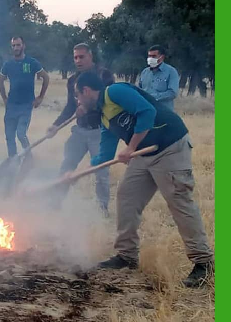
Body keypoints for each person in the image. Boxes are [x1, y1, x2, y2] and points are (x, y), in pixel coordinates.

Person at [72, 71, 213, 288]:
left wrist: (130, 147)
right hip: (144, 153)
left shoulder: (116, 92)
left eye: (78, 96)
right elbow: (105, 154)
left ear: (87, 91)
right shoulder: (104, 116)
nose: (78, 101)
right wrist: (78, 172)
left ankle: (204, 263)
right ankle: (126, 256)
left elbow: (147, 111)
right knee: (126, 196)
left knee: (180, 203)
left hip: (170, 147)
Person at [46, 43, 114, 216]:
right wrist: (56, 124)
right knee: (67, 165)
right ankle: (55, 203)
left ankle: (102, 210)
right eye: (75, 57)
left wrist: (89, 108)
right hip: (80, 130)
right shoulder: (72, 80)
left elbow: (109, 102)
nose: (78, 60)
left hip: (100, 131)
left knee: (101, 172)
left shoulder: (105, 75)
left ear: (90, 56)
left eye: (81, 56)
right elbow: (70, 106)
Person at [0, 36, 49, 157]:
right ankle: (12, 159)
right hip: (11, 105)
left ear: (23, 46)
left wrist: (40, 97)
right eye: (13, 45)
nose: (16, 47)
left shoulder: (32, 62)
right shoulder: (8, 65)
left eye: (18, 45)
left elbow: (46, 77)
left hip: (26, 104)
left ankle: (28, 156)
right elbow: (0, 81)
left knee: (21, 134)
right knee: (9, 135)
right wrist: (4, 98)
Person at [138, 45, 180, 112]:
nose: (150, 58)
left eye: (154, 56)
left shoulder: (171, 71)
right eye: (149, 56)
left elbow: (172, 93)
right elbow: (140, 90)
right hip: (146, 111)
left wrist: (152, 97)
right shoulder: (145, 72)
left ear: (162, 57)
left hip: (163, 112)